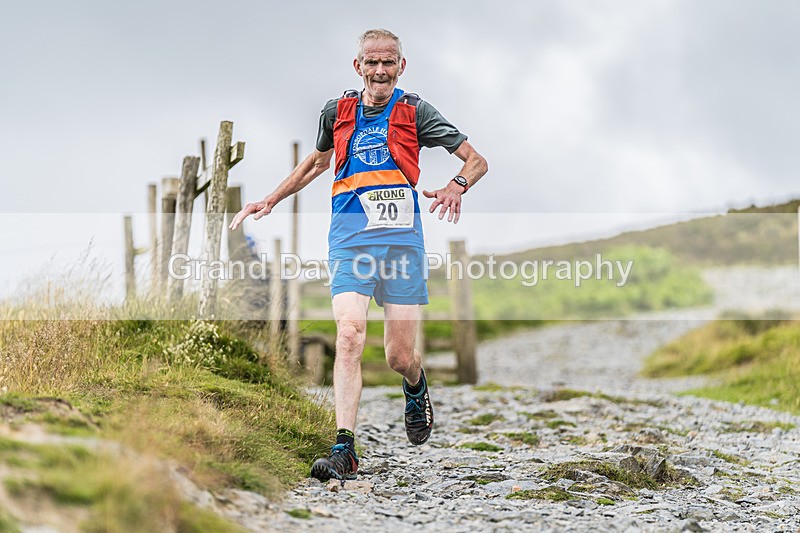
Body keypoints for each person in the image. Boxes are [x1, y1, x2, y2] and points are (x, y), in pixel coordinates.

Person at [229, 28, 488, 481]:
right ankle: (344, 447)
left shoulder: (414, 111)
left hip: (401, 242)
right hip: (350, 240)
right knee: (349, 334)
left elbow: (475, 160)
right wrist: (270, 199)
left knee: (398, 356)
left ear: (401, 67)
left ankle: (415, 384)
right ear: (358, 66)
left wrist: (455, 186)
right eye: (372, 62)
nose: (380, 70)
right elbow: (316, 163)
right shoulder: (337, 112)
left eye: (389, 62)